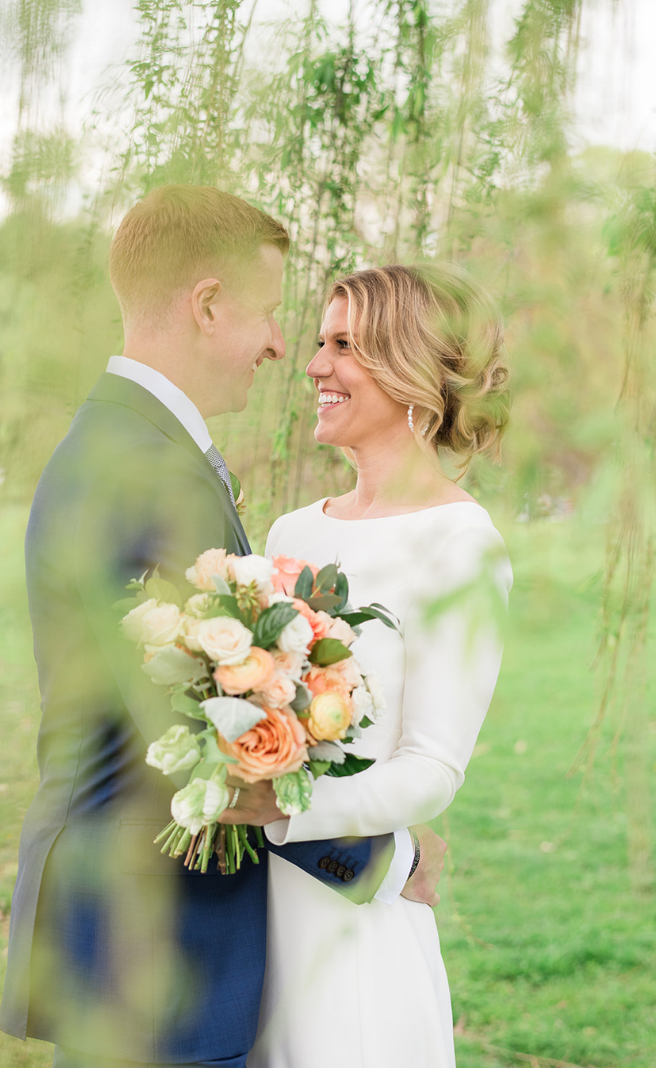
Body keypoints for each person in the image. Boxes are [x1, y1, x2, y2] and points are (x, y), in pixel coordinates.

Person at [0, 185, 446, 1068]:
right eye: (271, 313)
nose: (282, 345)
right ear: (207, 305)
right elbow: (197, 731)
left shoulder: (129, 444)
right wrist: (385, 859)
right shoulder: (136, 466)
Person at [250, 264, 512, 1067]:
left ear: (410, 369)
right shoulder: (290, 530)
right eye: (319, 343)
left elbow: (432, 768)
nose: (315, 366)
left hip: (353, 918)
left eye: (344, 346)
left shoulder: (462, 545)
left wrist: (278, 809)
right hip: (252, 916)